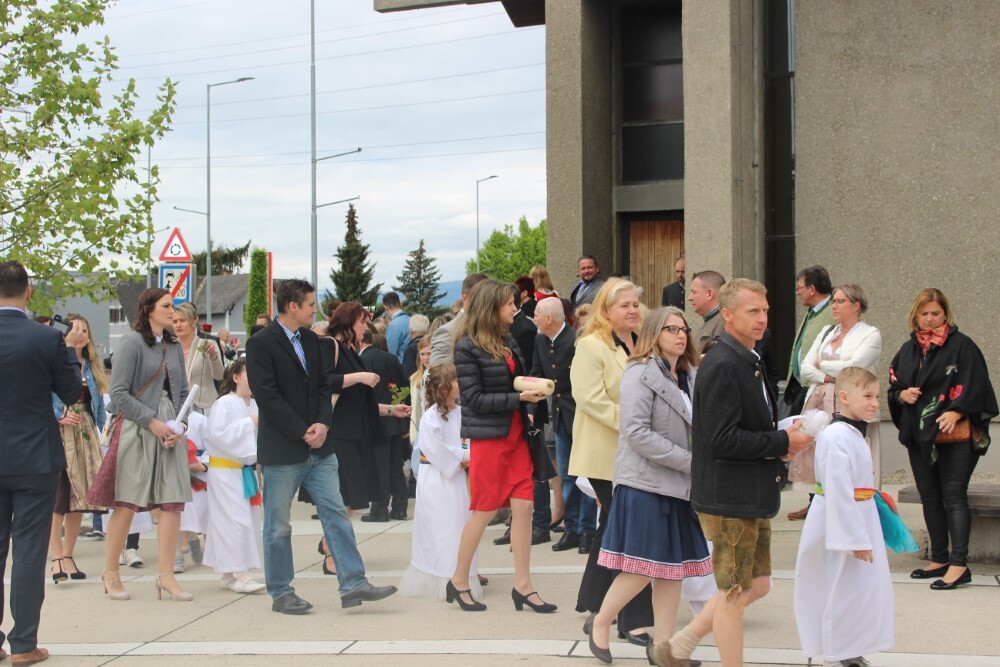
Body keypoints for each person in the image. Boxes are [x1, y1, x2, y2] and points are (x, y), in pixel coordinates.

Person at [668, 278, 813, 667]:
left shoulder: (749, 357)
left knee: (758, 585)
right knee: (733, 594)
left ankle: (680, 644)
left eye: (765, 310)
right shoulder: (722, 364)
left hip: (749, 493)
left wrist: (782, 441)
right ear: (728, 315)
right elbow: (720, 440)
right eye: (753, 311)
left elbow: (748, 427)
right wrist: (781, 441)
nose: (762, 318)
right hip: (730, 498)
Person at [246, 280, 397, 615]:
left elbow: (323, 386)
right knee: (278, 525)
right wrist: (302, 430)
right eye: (311, 304)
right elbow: (267, 395)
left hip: (321, 447)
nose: (316, 309)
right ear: (293, 306)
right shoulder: (261, 343)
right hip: (283, 450)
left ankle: (353, 582)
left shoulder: (313, 342)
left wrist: (324, 424)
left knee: (337, 514)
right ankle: (282, 592)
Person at [588, 307, 713, 665]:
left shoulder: (689, 375)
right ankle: (600, 622)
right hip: (645, 484)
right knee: (642, 569)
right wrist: (691, 462)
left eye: (684, 329)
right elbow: (636, 432)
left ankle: (664, 647)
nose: (680, 335)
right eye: (671, 329)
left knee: (671, 571)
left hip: (679, 486)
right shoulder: (639, 372)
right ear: (654, 333)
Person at [447, 280, 553, 613]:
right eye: (509, 303)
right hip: (490, 439)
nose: (515, 308)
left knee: (524, 507)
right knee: (485, 510)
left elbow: (516, 380)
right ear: (492, 307)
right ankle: (459, 580)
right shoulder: (466, 346)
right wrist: (518, 398)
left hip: (517, 435)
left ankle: (524, 586)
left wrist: (531, 393)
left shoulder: (508, 341)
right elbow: (474, 399)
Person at [0, 260, 83, 666]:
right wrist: (72, 353)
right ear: (28, 293)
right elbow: (71, 393)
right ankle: (23, 643)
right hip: (35, 456)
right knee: (31, 550)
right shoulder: (47, 337)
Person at [87, 288, 193, 603]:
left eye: (173, 306)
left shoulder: (173, 345)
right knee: (127, 501)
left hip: (170, 428)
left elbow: (184, 391)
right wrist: (153, 422)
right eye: (166, 306)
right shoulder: (132, 343)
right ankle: (111, 572)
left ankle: (166, 575)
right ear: (148, 309)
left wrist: (180, 425)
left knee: (173, 501)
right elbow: (119, 393)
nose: (172, 311)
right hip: (138, 428)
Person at [888, 288, 997, 590]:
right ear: (915, 316)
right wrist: (902, 395)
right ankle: (940, 558)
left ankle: (959, 565)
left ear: (945, 314)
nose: (930, 319)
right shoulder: (908, 350)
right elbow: (894, 385)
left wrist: (957, 411)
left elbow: (978, 385)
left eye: (935, 313)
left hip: (955, 435)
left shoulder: (962, 346)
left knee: (953, 495)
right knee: (930, 496)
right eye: (924, 314)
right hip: (920, 436)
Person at [568, 278, 654, 644]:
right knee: (626, 528)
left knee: (616, 528)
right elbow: (590, 398)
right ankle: (626, 617)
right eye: (625, 305)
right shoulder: (591, 345)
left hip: (638, 451)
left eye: (635, 304)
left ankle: (598, 605)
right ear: (606, 310)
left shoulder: (643, 342)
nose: (633, 310)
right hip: (605, 452)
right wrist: (636, 424)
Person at [794, 367, 894, 667]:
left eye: (877, 397)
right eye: (868, 396)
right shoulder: (838, 436)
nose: (875, 403)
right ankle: (837, 653)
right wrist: (853, 539)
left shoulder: (852, 433)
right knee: (841, 586)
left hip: (859, 516)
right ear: (844, 397)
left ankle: (849, 647)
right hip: (841, 522)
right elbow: (838, 490)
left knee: (860, 587)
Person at [788, 284, 882, 520]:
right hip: (819, 399)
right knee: (816, 452)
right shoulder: (827, 332)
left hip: (849, 403)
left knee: (846, 454)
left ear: (856, 305)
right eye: (834, 301)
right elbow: (805, 367)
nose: (834, 306)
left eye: (840, 301)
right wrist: (827, 375)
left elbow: (854, 367)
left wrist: (823, 365)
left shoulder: (870, 334)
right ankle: (817, 504)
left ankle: (850, 507)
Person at [399, 364, 482, 600]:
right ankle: (440, 577)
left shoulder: (462, 412)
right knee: (439, 529)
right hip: (437, 478)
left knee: (459, 525)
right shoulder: (431, 418)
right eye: (456, 380)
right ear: (444, 388)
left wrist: (470, 455)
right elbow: (435, 449)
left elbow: (470, 438)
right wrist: (464, 457)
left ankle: (461, 571)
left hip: (458, 480)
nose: (461, 383)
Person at [530, 297, 596, 554]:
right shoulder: (540, 340)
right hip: (559, 416)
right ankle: (572, 528)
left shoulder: (577, 339)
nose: (534, 318)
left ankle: (587, 531)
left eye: (537, 314)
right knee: (567, 475)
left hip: (580, 415)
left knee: (585, 474)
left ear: (548, 318)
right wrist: (531, 410)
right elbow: (537, 374)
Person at [49, 314, 108, 584]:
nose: (81, 334)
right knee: (59, 498)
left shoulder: (92, 365)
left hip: (85, 430)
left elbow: (99, 407)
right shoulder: (57, 359)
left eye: (85, 330)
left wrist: (102, 432)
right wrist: (59, 414)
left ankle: (69, 554)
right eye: (75, 329)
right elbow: (46, 393)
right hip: (61, 431)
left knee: (79, 500)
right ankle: (56, 558)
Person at [203, 358, 266, 594]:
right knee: (235, 520)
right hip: (225, 471)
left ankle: (229, 574)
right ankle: (241, 572)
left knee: (246, 519)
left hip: (245, 471)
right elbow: (217, 435)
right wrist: (249, 423)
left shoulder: (257, 404)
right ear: (236, 377)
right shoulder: (224, 404)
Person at [358, 329, 413, 521]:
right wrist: (402, 421)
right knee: (395, 466)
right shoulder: (390, 359)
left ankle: (379, 508)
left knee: (378, 466)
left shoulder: (361, 361)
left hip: (375, 420)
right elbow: (402, 388)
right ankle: (399, 507)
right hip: (394, 419)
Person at [785, 265, 835, 416]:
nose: (797, 292)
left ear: (812, 289)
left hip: (818, 390)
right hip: (800, 388)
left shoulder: (833, 313)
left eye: (799, 288)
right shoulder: (812, 311)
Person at [172, 302, 225, 415]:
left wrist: (213, 357)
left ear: (193, 322)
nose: (178, 325)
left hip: (204, 407)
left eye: (182, 320)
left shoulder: (207, 344)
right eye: (175, 322)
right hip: (177, 408)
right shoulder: (169, 347)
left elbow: (219, 375)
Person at [430, 272, 490, 365]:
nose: (487, 302)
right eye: (481, 298)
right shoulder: (447, 332)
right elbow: (438, 371)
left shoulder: (494, 327)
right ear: (465, 298)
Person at [688, 270, 725, 354]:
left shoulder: (723, 324)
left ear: (709, 294)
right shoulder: (714, 320)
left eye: (694, 292)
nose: (689, 298)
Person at [382, 292, 410, 363]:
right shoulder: (411, 320)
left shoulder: (394, 325)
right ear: (400, 304)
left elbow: (389, 353)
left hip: (400, 366)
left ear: (385, 307)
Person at [402, 313, 430, 378]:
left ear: (411, 331)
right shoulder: (432, 346)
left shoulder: (411, 349)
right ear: (428, 331)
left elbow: (408, 374)